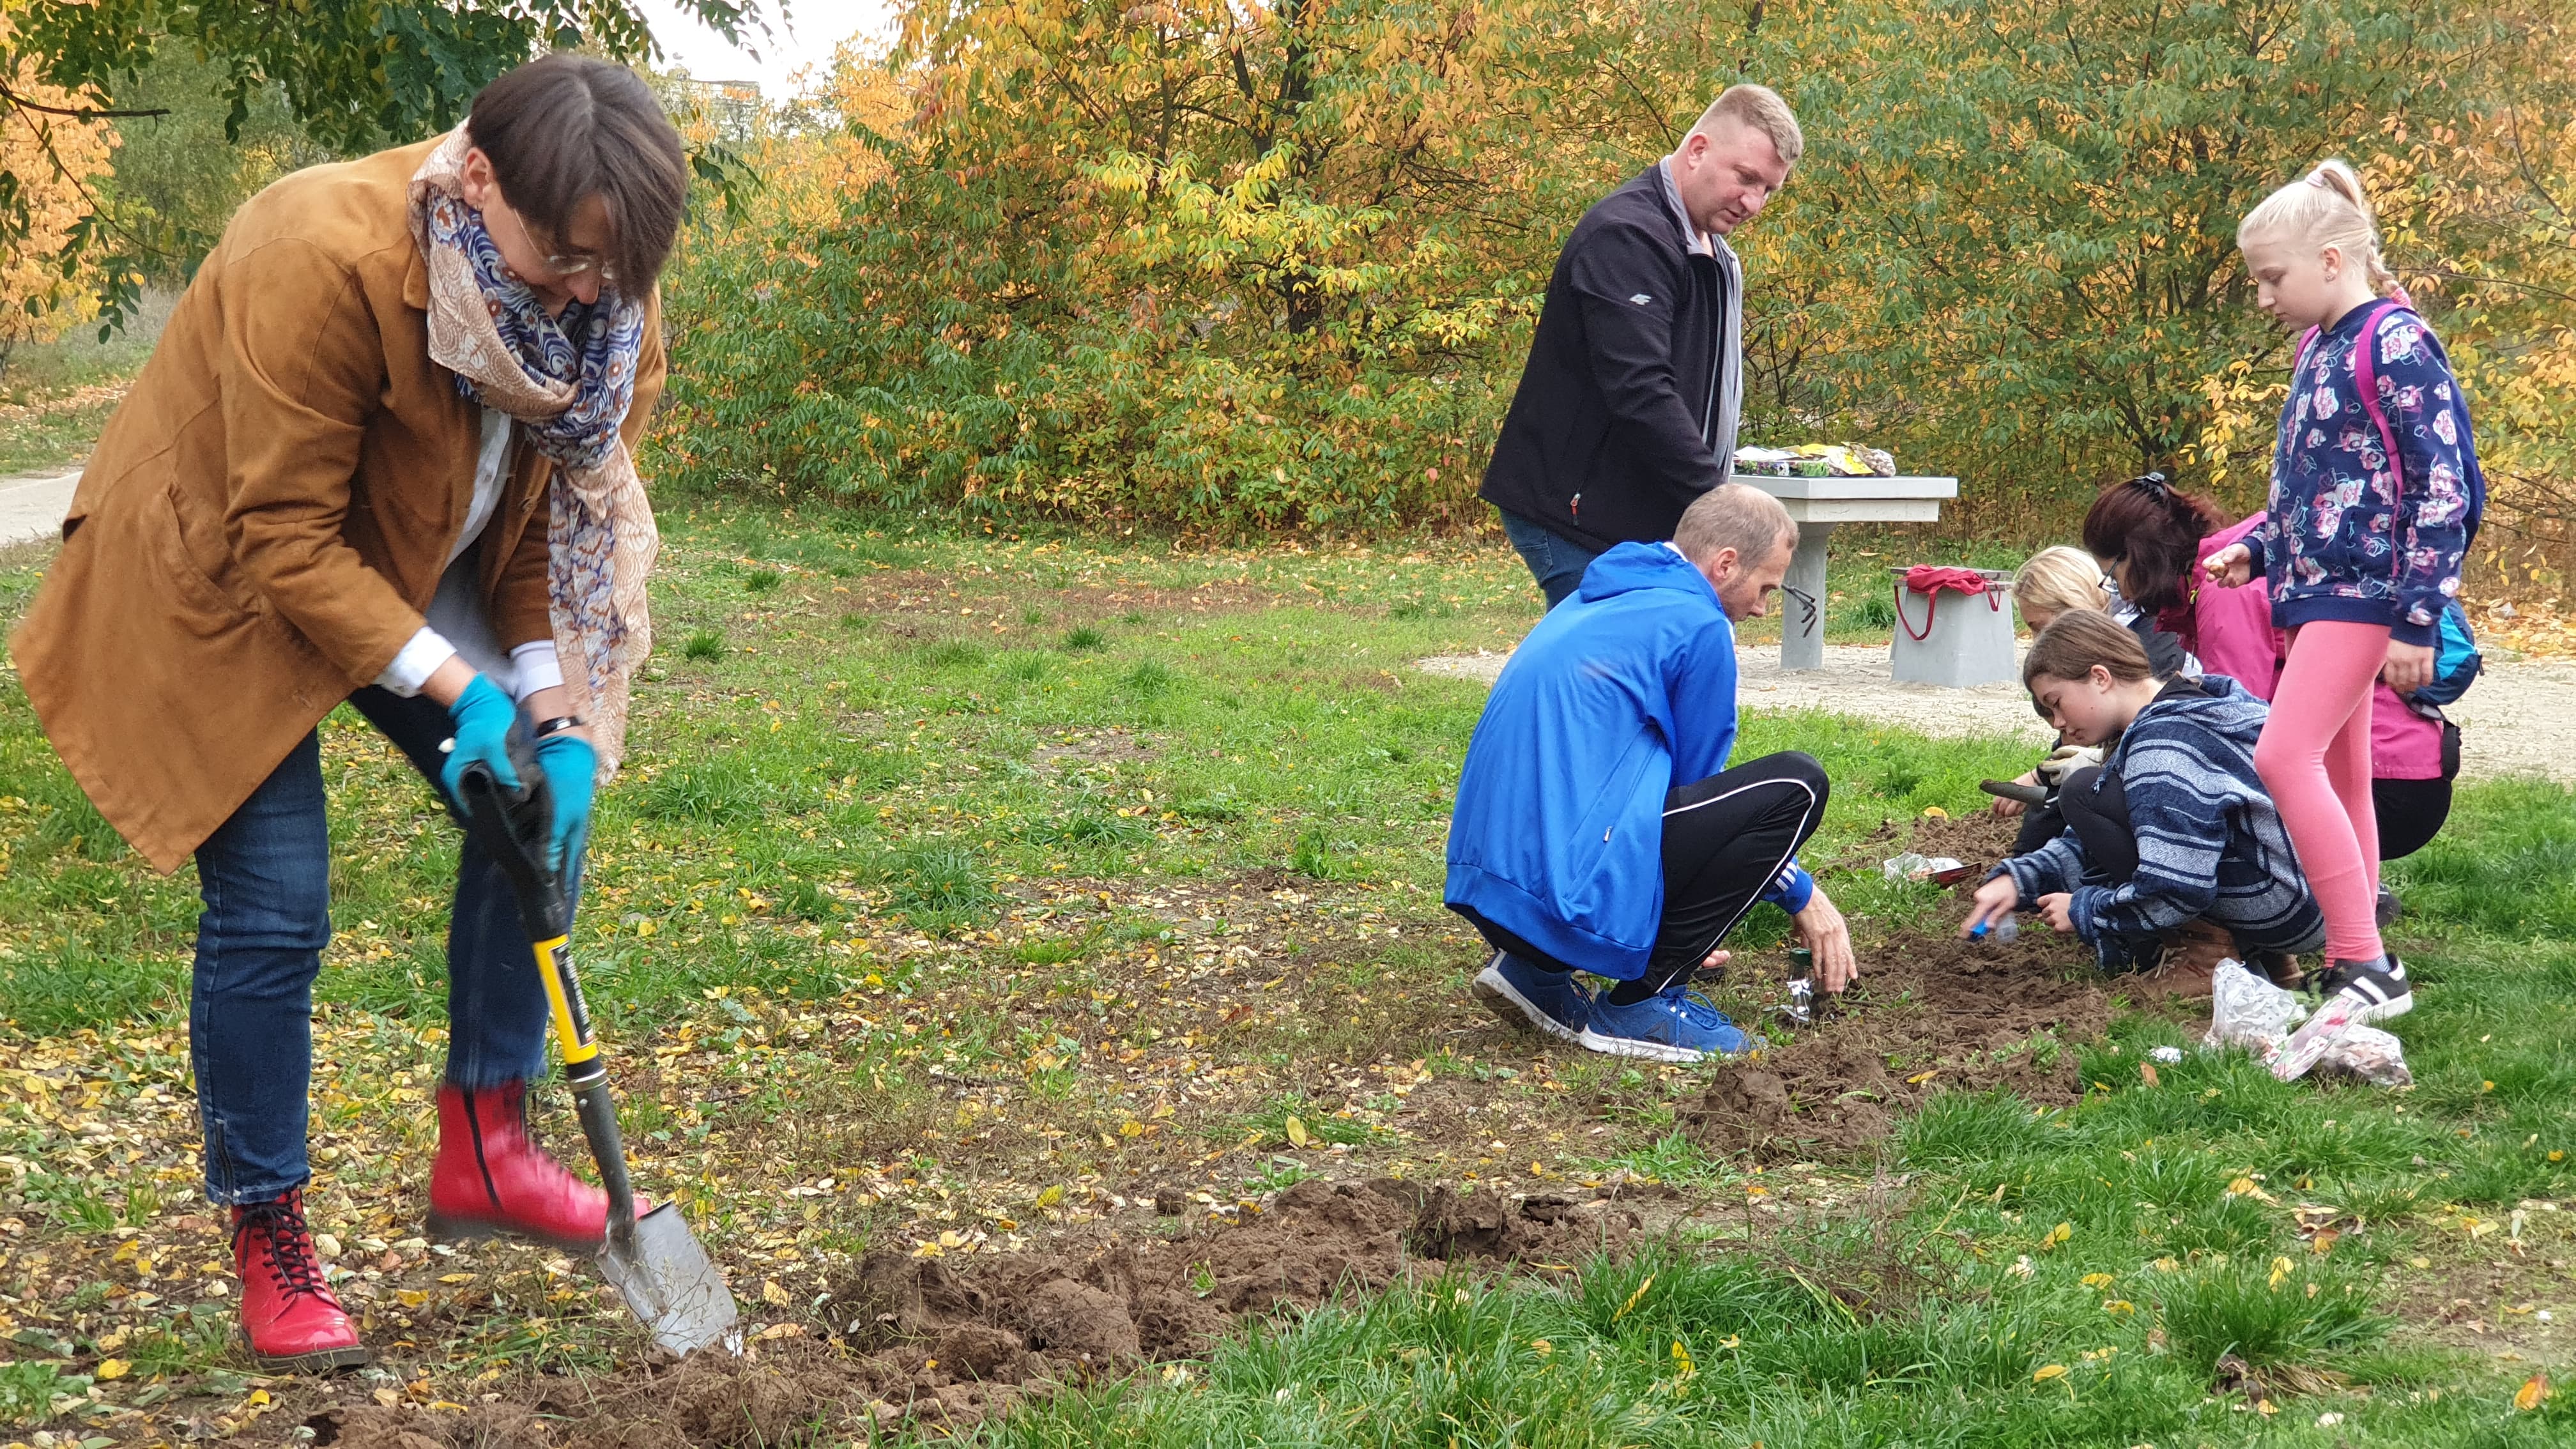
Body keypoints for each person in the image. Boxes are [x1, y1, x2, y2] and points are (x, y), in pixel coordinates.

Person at [8, 55, 683, 1372]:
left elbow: (541, 528)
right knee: (277, 903)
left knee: (540, 805)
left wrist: (546, 708)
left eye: (612, 272)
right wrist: (457, 690)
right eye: (565, 261)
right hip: (228, 564)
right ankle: (269, 1225)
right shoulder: (317, 249)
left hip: (416, 551)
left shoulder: (604, 303)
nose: (588, 297)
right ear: (477, 177)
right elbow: (284, 537)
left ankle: (489, 1141)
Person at [2205, 159, 2484, 1078]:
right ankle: (2365, 953)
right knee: (2340, 771)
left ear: (2331, 259)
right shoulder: (2319, 346)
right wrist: (2267, 552)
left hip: (2370, 597)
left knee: (2281, 757)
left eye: (2271, 278)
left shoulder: (2396, 345)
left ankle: (2361, 962)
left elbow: (2444, 491)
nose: (2261, 297)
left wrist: (2417, 617)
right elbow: (2321, 484)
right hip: (2317, 588)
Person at [1446, 484, 1856, 1061]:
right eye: (1766, 586)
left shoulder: (1602, 592)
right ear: (1726, 565)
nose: (1763, 608)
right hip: (1555, 893)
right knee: (1796, 784)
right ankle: (1646, 1002)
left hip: (1488, 885)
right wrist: (1798, 892)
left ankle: (1536, 973)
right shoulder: (1698, 622)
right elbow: (1696, 797)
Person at [1480, 85, 1802, 606]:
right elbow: (1641, 390)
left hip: (1644, 516)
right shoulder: (1627, 236)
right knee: (1603, 674)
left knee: (1644, 667)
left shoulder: (1713, 252)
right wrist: (1723, 501)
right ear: (1698, 150)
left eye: (1769, 190)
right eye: (1746, 178)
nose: (1754, 203)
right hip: (1578, 518)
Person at [2083, 474, 2457, 912]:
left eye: (2112, 574)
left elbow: (2235, 724)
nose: (2118, 591)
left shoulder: (2225, 593)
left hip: (2388, 784)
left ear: (2138, 555)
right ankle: (2351, 902)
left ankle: (2221, 941)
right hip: (2402, 773)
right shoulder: (2229, 567)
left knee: (2179, 797)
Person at [1961, 612, 2324, 975]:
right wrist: (2018, 881)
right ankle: (2263, 954)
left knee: (2080, 791)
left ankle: (2204, 957)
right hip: (2319, 898)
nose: (2058, 723)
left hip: (2283, 908)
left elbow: (2178, 887)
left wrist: (2088, 909)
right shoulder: (2196, 698)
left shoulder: (2162, 743)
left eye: (2056, 702)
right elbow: (2094, 842)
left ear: (2100, 677)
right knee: (2092, 796)